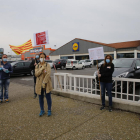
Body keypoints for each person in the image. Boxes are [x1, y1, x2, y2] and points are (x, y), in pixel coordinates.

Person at [35, 52, 53, 117]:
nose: (42, 58)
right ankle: (42, 110)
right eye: (41, 57)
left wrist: (44, 82)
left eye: (43, 57)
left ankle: (49, 110)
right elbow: (36, 74)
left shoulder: (47, 65)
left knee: (48, 97)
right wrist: (41, 69)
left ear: (45, 58)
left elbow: (48, 74)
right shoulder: (37, 65)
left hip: (46, 84)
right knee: (40, 97)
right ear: (39, 58)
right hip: (39, 84)